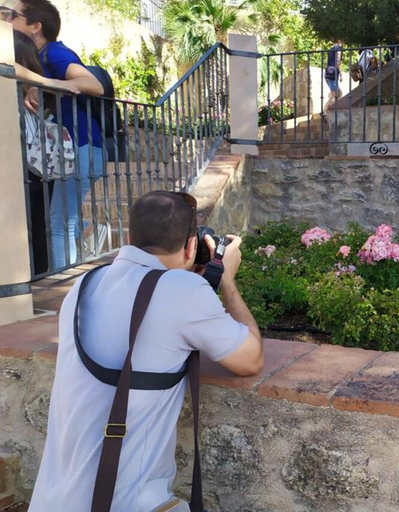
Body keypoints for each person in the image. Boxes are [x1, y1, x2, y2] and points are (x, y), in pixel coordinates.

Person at [28, 191, 264, 512]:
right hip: (128, 504)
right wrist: (228, 281)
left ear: (128, 238)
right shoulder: (184, 292)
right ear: (191, 246)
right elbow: (250, 360)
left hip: (51, 501)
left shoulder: (83, 286)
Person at [8, 0, 106, 270]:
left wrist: (44, 83)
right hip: (75, 150)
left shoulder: (55, 53)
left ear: (35, 27)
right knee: (62, 219)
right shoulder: (42, 55)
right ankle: (87, 232)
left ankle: (66, 286)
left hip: (82, 148)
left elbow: (92, 84)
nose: (8, 20)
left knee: (60, 224)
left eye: (13, 16)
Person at [323, 39, 343, 114]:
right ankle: (325, 112)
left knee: (339, 94)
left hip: (328, 73)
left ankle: (330, 110)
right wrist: (340, 74)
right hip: (332, 75)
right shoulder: (338, 50)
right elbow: (337, 62)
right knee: (335, 95)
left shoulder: (331, 49)